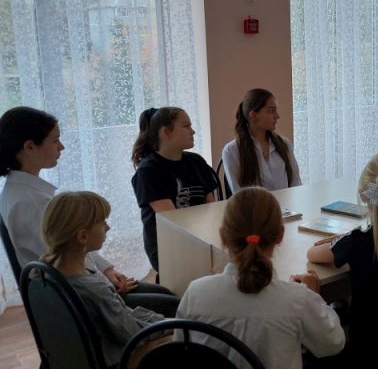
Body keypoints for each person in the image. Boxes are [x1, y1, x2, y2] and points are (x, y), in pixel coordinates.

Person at [0, 106, 177, 313]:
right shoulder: (31, 203)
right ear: (29, 146)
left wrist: (106, 269)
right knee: (174, 303)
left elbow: (71, 247)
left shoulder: (22, 192)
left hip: (82, 287)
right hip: (80, 300)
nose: (61, 147)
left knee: (166, 294)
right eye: (55, 140)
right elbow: (64, 263)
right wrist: (106, 283)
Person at [176, 187, 344, 369]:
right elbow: (333, 344)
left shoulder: (195, 293)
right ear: (280, 235)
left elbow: (180, 349)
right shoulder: (298, 300)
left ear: (223, 237)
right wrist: (314, 296)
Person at [307, 152, 378, 366]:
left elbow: (313, 253)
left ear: (364, 196)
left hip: (364, 351)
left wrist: (341, 239)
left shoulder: (356, 241)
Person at [40, 191, 165, 367]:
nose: (108, 228)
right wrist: (166, 325)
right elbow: (132, 335)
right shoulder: (94, 289)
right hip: (113, 359)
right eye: (103, 223)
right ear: (83, 236)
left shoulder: (43, 274)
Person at [131, 107, 218, 273]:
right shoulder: (149, 171)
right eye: (186, 126)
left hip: (202, 237)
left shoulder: (196, 161)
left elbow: (212, 208)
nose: (192, 131)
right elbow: (173, 221)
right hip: (169, 247)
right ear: (166, 132)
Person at [221, 88, 301, 192]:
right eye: (271, 111)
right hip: (252, 203)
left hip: (286, 202)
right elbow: (238, 193)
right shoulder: (232, 151)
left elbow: (296, 183)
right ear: (253, 115)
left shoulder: (284, 144)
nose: (277, 116)